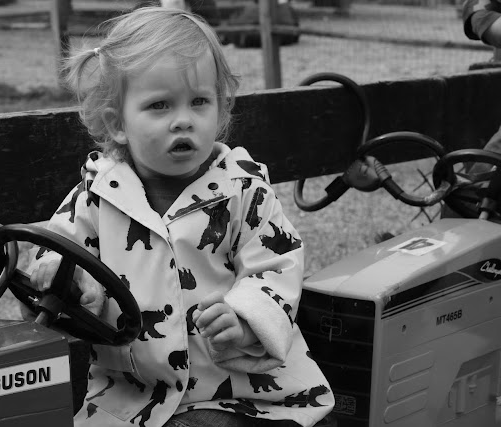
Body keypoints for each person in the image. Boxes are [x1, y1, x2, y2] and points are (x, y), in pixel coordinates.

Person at [27, 7, 334, 427]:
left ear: (220, 111)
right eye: (159, 105)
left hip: (239, 395)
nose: (184, 120)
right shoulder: (96, 196)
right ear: (118, 124)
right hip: (129, 399)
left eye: (200, 102)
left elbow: (276, 265)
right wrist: (61, 275)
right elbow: (61, 250)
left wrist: (245, 321)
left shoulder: (242, 191)